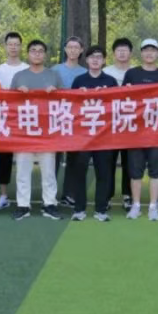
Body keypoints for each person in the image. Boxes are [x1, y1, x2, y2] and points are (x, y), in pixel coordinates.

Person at [11, 40, 65, 221]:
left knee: (49, 172)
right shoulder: (19, 76)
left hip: (47, 133)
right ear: (28, 54)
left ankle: (49, 204)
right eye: (33, 50)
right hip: (24, 132)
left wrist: (56, 92)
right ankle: (23, 205)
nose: (37, 54)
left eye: (40, 51)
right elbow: (8, 104)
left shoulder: (54, 75)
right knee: (22, 171)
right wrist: (17, 92)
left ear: (45, 55)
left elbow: (66, 102)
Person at [122, 39, 158, 221]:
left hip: (157, 132)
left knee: (156, 171)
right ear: (141, 53)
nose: (149, 53)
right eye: (146, 50)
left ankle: (152, 206)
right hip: (136, 131)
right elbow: (122, 100)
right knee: (135, 171)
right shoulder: (131, 74)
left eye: (153, 50)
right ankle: (135, 205)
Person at [69, 46, 118, 221]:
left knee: (104, 173)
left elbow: (116, 106)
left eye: (99, 57)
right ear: (87, 60)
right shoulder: (79, 80)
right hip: (83, 136)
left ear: (104, 60)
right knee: (79, 172)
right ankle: (79, 209)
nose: (95, 60)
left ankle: (101, 209)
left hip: (103, 136)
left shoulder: (111, 81)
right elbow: (71, 106)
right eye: (92, 57)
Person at [0, 32, 28, 211]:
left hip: (24, 118)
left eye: (16, 44)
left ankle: (24, 197)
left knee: (24, 158)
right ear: (5, 47)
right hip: (4, 118)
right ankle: (3, 195)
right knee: (4, 159)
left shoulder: (27, 68)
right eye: (10, 44)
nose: (13, 47)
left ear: (21, 47)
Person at [52, 36, 86, 208]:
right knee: (53, 158)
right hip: (57, 118)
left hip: (77, 121)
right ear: (65, 50)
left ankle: (69, 195)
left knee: (74, 158)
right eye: (70, 47)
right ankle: (50, 195)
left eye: (76, 47)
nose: (73, 50)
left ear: (81, 51)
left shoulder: (85, 72)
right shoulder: (54, 70)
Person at [103, 37, 133, 210]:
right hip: (109, 124)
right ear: (114, 53)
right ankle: (106, 196)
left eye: (125, 50)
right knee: (108, 161)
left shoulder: (136, 72)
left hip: (130, 123)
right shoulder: (105, 72)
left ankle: (128, 195)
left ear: (130, 53)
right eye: (118, 50)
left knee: (130, 161)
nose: (122, 53)